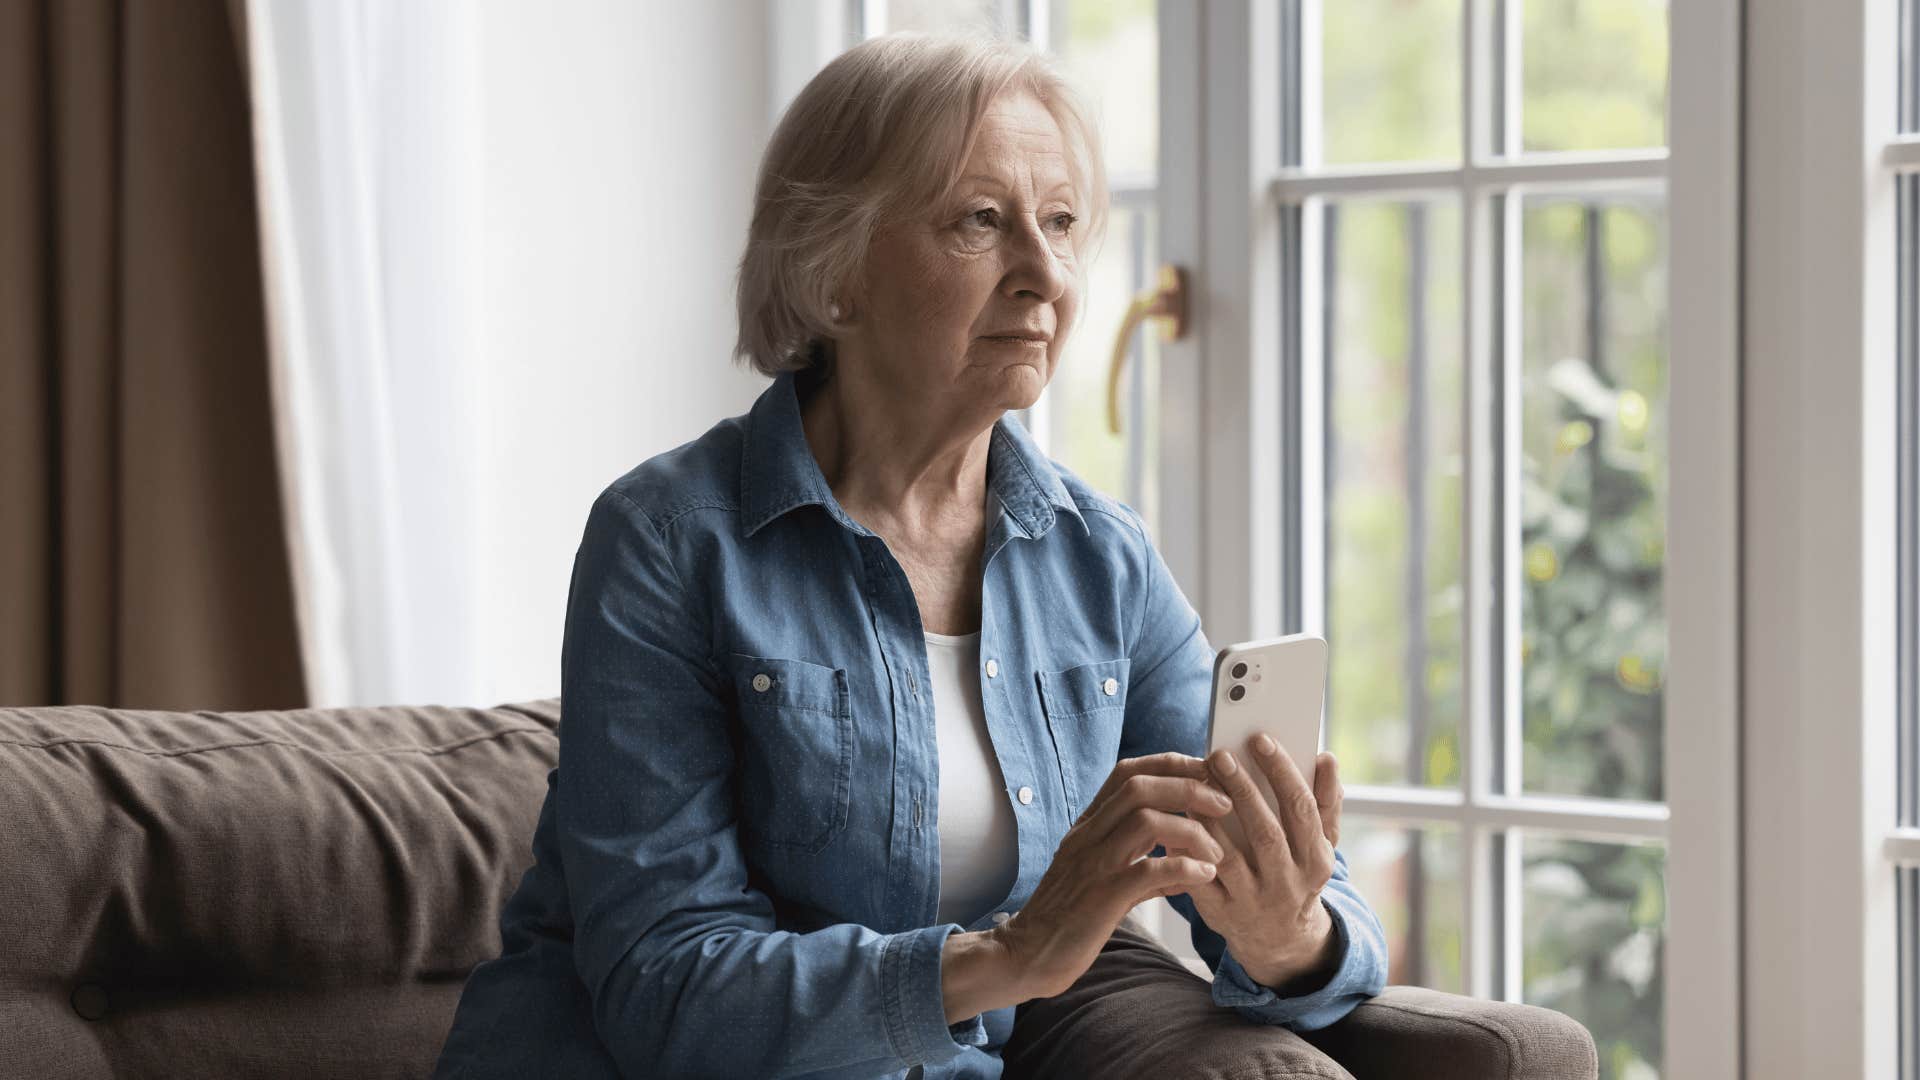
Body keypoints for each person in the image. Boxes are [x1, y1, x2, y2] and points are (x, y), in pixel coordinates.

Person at [433, 30, 1388, 1080]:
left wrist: (1282, 926)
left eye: (1062, 223)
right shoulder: (666, 541)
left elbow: (1325, 932)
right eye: (981, 222)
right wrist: (1012, 956)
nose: (1044, 274)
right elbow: (668, 991)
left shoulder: (1097, 559)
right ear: (833, 273)